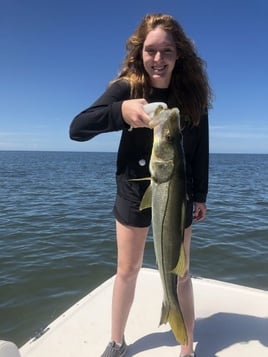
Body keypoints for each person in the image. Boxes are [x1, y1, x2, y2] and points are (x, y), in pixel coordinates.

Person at [69, 13, 212, 357]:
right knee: (128, 269)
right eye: (151, 51)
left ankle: (185, 344)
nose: (158, 59)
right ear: (140, 52)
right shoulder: (128, 87)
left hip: (180, 194)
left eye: (167, 51)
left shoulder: (191, 96)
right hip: (135, 191)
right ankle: (117, 342)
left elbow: (200, 149)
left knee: (183, 271)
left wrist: (201, 195)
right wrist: (121, 111)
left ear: (180, 55)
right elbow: (78, 128)